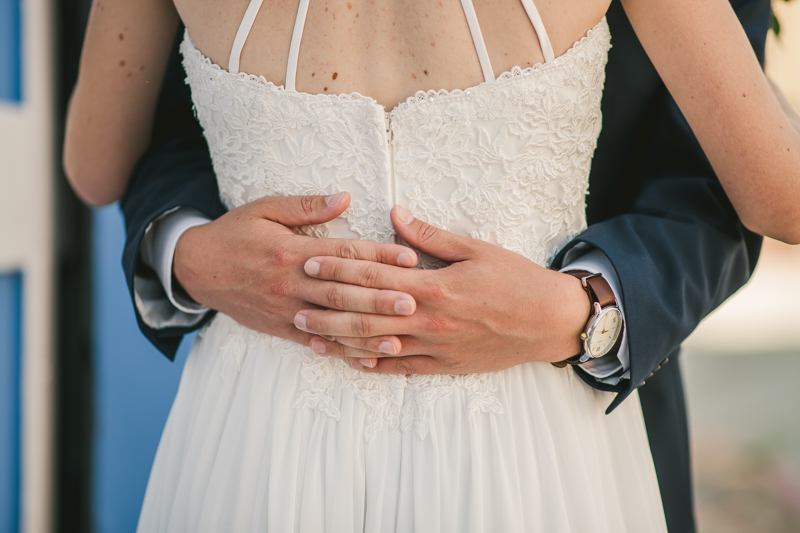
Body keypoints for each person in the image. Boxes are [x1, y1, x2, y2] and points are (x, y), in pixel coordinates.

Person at [62, 0, 795, 530]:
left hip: (262, 417)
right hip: (524, 436)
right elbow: (781, 198)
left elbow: (93, 167)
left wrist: (574, 309)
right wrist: (188, 251)